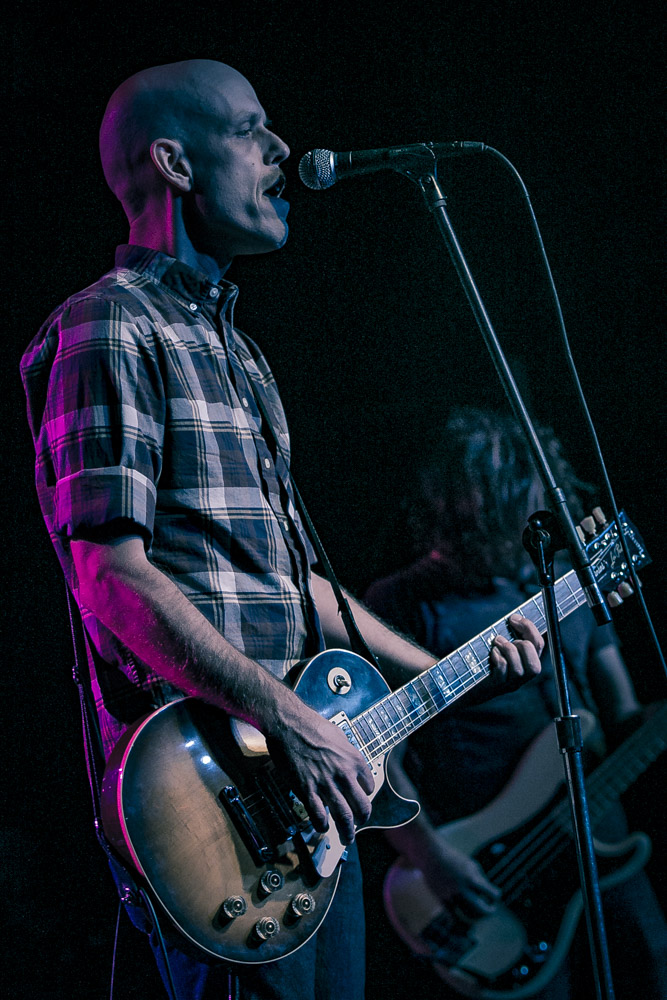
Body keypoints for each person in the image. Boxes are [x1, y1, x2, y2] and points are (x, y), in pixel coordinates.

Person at [20, 63, 544, 1000]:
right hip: (212, 814)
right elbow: (109, 574)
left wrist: (443, 664)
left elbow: (299, 583)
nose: (281, 153)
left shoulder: (243, 356)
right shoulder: (107, 327)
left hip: (305, 817)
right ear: (174, 162)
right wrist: (288, 719)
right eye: (251, 130)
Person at [364, 406, 667, 999]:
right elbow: (379, 754)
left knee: (648, 964)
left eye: (512, 486)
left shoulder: (569, 584)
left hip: (597, 827)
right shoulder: (401, 599)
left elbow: (622, 711)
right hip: (488, 862)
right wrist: (431, 856)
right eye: (484, 488)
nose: (503, 502)